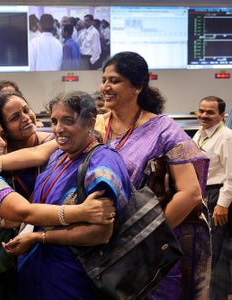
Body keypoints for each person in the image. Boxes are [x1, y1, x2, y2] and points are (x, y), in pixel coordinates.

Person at [0, 91, 132, 299]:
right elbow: (27, 208)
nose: (58, 128)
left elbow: (100, 233)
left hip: (72, 278)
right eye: (54, 121)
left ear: (90, 121)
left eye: (68, 120)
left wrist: (39, 237)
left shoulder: (103, 161)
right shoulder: (58, 157)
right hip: (35, 274)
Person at [98, 51, 210, 300]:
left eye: (114, 80)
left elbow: (190, 192)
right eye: (104, 79)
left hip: (149, 249)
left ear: (138, 86)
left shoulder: (162, 129)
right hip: (99, 244)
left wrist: (147, 238)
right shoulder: (95, 126)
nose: (105, 87)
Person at [192, 96, 232, 300]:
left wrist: (222, 205)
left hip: (218, 195)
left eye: (210, 112)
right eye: (201, 111)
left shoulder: (226, 137)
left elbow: (231, 175)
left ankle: (217, 295)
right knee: (206, 248)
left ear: (222, 115)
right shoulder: (200, 133)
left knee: (216, 250)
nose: (204, 115)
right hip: (203, 194)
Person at [0, 91, 54, 199]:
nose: (26, 118)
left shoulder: (54, 143)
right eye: (15, 117)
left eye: (26, 110)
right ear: (2, 127)